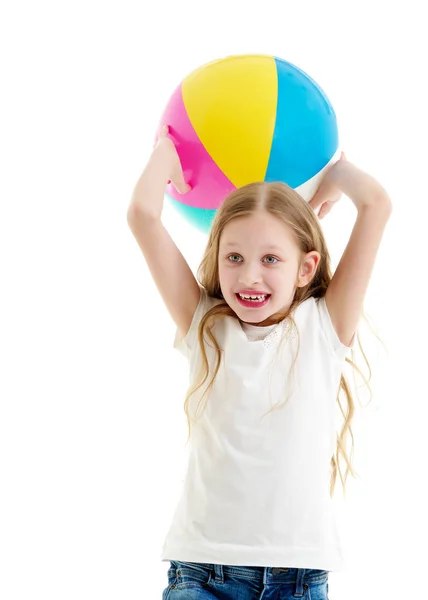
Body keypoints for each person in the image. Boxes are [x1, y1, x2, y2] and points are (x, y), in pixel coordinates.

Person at [127, 125, 392, 599]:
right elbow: (143, 215)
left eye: (271, 259)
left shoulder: (324, 327)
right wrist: (167, 153)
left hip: (297, 577)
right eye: (234, 256)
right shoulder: (204, 325)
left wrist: (334, 177)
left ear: (305, 268)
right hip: (202, 572)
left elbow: (376, 204)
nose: (249, 275)